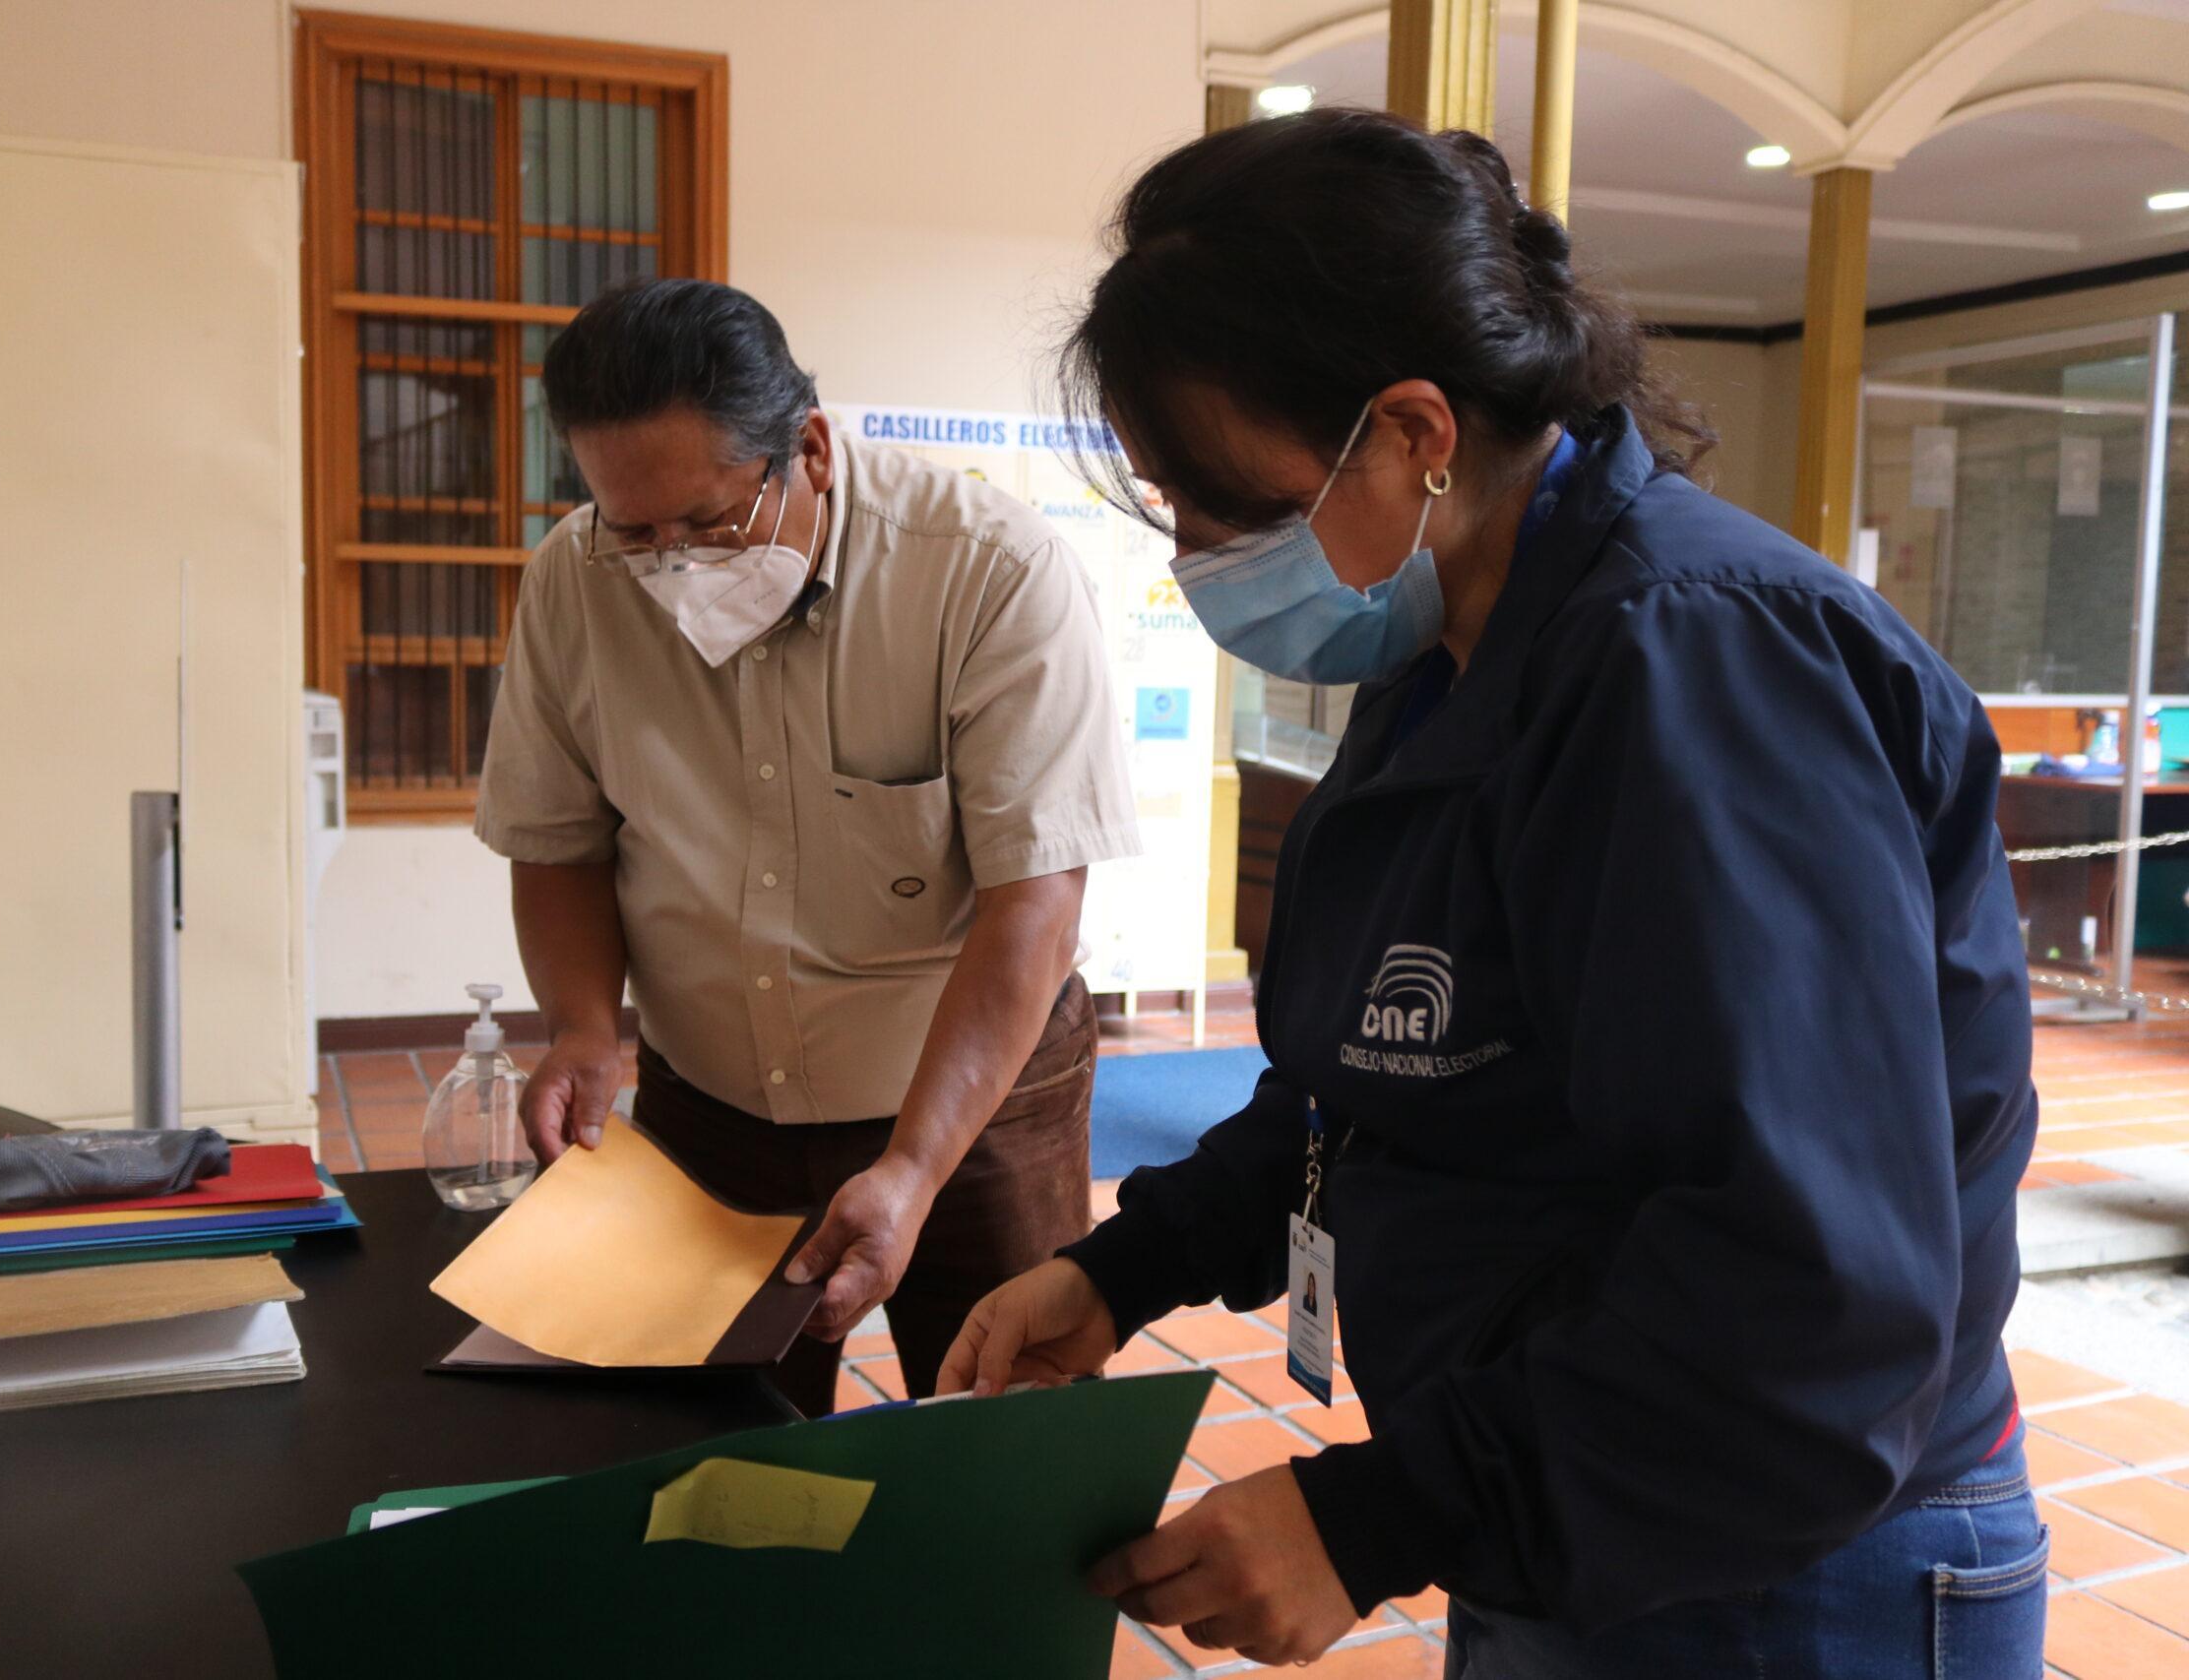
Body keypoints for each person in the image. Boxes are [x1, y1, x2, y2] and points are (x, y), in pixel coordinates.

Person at [940, 109, 2043, 1678]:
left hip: (1780, 1561)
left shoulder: (1692, 663)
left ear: (1409, 434)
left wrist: (1377, 1516)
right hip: (1576, 1499)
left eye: (1220, 502)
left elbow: (1810, 1282)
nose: (1195, 554)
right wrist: (1134, 1261)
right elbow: (1397, 1077)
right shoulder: (1457, 650)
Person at [476, 279, 1139, 1416]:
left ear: (813, 452)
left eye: (712, 521)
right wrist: (583, 1026)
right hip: (712, 1101)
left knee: (1004, 1440)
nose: (672, 562)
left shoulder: (985, 570)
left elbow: (1034, 904)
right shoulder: (574, 581)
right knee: (719, 1451)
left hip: (971, 1106)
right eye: (635, 530)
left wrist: (916, 1167)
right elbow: (559, 841)